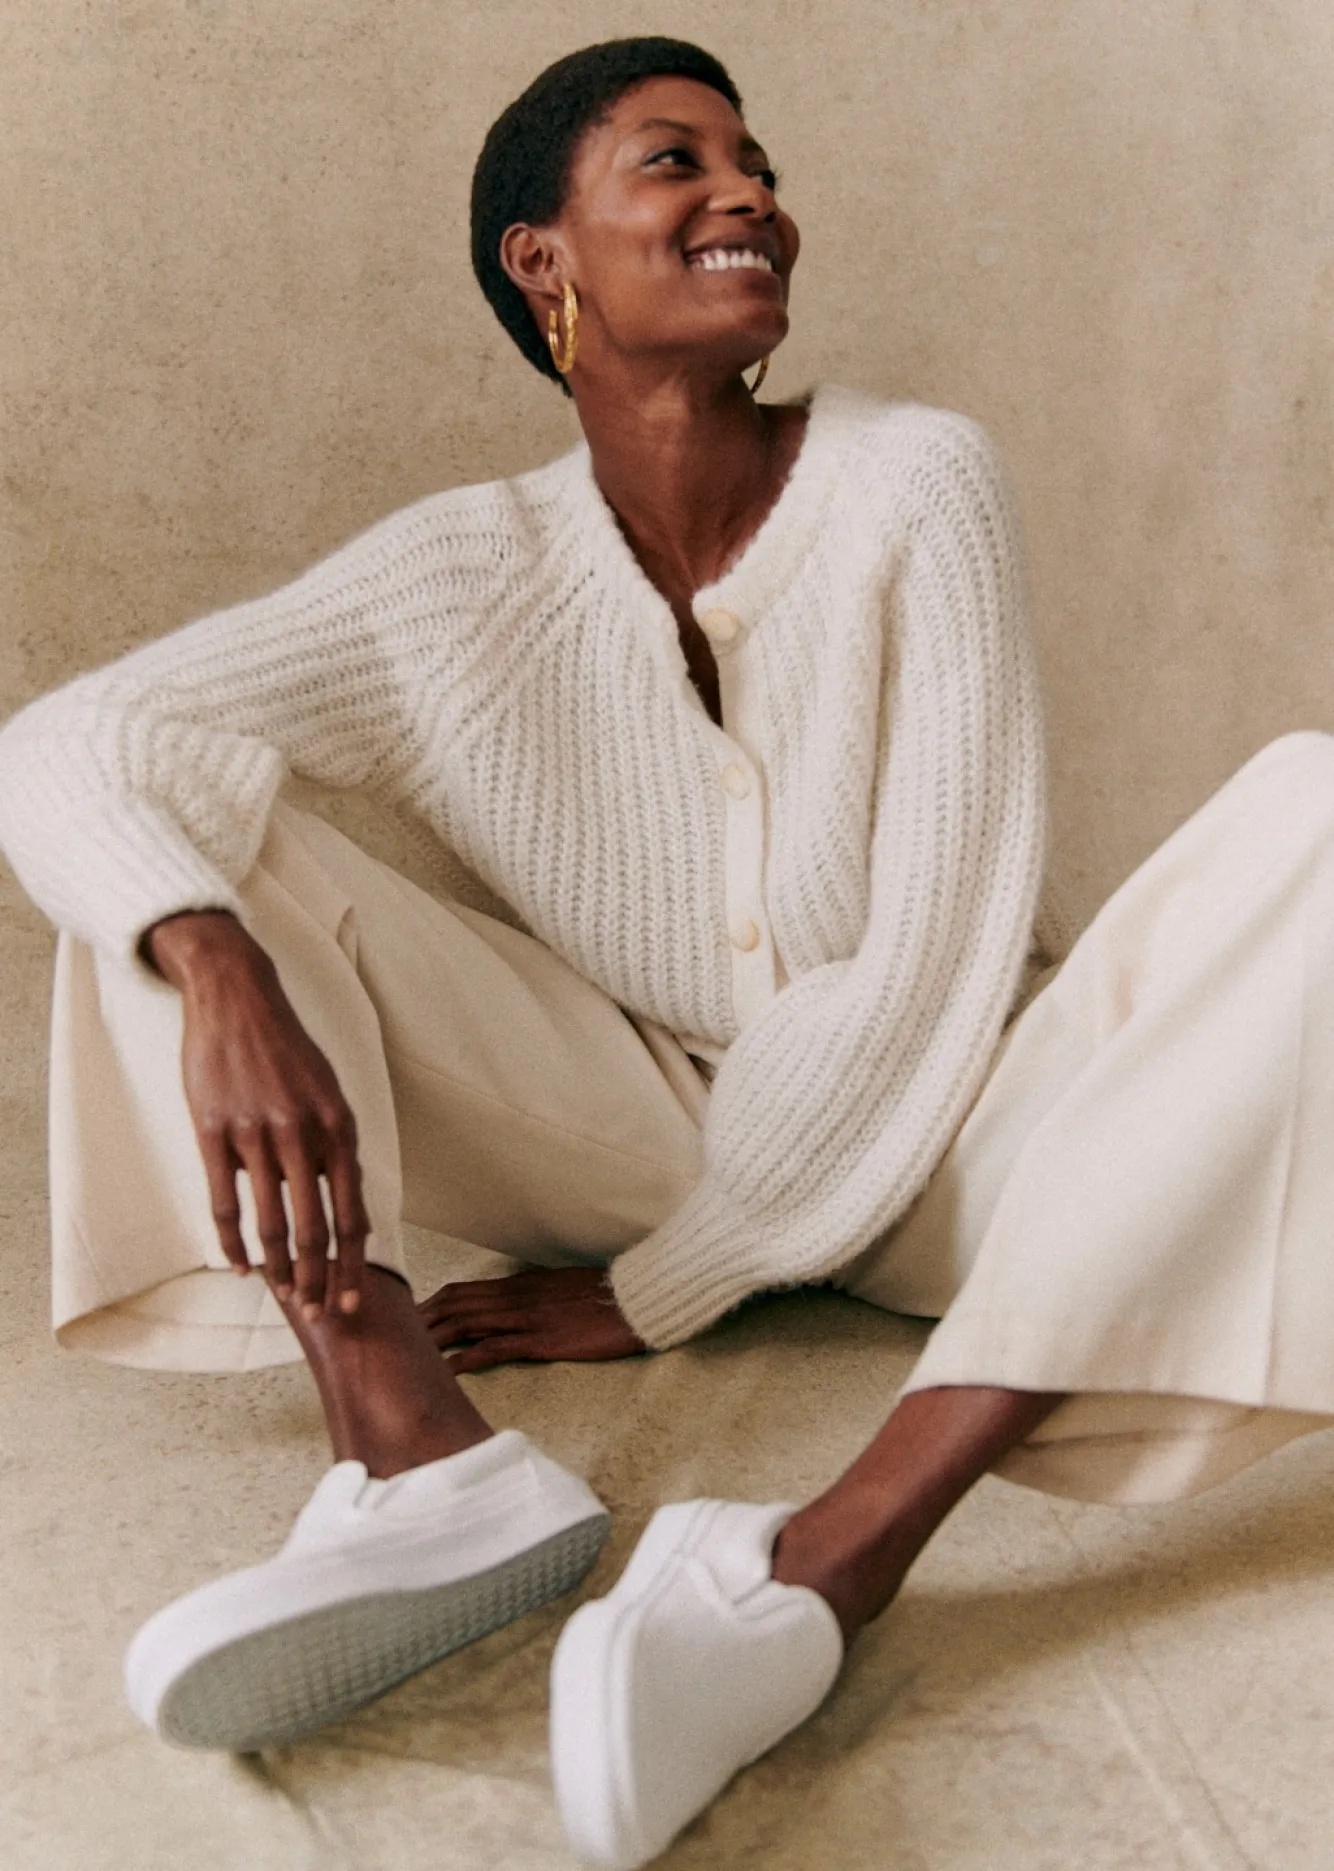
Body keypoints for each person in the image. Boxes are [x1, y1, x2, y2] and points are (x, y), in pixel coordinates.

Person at [3, 32, 1334, 1870]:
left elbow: (930, 962)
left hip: (972, 1136)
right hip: (636, 1125)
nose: (746, 196)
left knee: (1317, 809)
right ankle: (415, 1458)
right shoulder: (459, 579)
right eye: (674, 160)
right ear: (541, 260)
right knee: (161, 846)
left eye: (756, 164)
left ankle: (823, 1554)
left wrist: (668, 1281)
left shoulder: (917, 483)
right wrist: (218, 965)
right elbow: (75, 738)